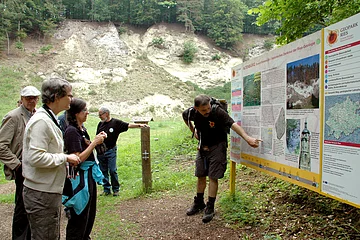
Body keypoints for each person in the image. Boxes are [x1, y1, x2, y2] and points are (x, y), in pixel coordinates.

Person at [182, 94, 261, 223]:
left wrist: (247, 138)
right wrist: (193, 130)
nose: (207, 112)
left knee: (213, 176)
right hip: (203, 147)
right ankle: (199, 203)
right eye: (204, 110)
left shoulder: (217, 111)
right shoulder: (191, 113)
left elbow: (233, 125)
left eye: (208, 108)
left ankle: (210, 207)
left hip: (218, 146)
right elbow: (185, 116)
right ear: (196, 108)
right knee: (200, 175)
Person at [22, 78, 81, 240]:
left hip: (48, 191)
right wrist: (65, 158)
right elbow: (35, 157)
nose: (71, 99)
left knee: (50, 234)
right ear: (56, 97)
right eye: (69, 95)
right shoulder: (41, 121)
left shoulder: (50, 117)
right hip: (41, 193)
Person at [63, 98, 107, 240]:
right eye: (84, 110)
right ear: (76, 113)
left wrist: (97, 140)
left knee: (89, 213)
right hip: (79, 179)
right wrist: (94, 143)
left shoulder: (82, 129)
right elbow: (77, 159)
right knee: (79, 214)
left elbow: (85, 147)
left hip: (88, 176)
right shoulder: (71, 131)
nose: (87, 112)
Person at [0, 86, 40, 240]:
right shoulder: (13, 116)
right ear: (22, 98)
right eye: (28, 97)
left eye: (35, 97)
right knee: (22, 209)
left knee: (34, 207)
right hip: (23, 167)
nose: (32, 100)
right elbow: (1, 146)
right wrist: (17, 165)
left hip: (36, 167)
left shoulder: (37, 115)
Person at [96, 106, 148, 196]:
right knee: (103, 171)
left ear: (106, 114)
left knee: (112, 170)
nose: (99, 117)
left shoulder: (116, 123)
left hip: (111, 150)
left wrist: (140, 125)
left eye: (100, 115)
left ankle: (116, 189)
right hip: (101, 151)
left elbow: (128, 125)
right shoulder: (100, 124)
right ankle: (106, 189)